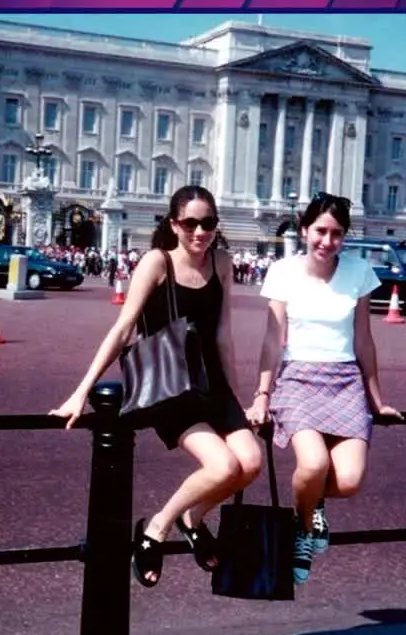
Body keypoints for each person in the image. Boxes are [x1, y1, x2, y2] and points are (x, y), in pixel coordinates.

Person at [49, 185, 263, 588]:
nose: (200, 232)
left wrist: (238, 398)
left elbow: (224, 336)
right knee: (224, 466)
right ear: (174, 224)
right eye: (191, 223)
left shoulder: (221, 262)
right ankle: (157, 530)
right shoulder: (156, 261)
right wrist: (81, 391)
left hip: (212, 382)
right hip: (171, 386)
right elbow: (124, 328)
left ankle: (192, 518)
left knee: (251, 462)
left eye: (209, 223)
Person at [246, 192, 403, 584]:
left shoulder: (360, 272)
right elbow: (272, 339)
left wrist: (377, 401)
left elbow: (364, 340)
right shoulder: (282, 271)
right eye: (320, 231)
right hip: (298, 378)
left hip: (345, 380)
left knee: (348, 481)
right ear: (304, 229)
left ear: (345, 235)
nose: (327, 241)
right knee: (313, 464)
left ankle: (312, 503)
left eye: (336, 233)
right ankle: (304, 528)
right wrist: (262, 395)